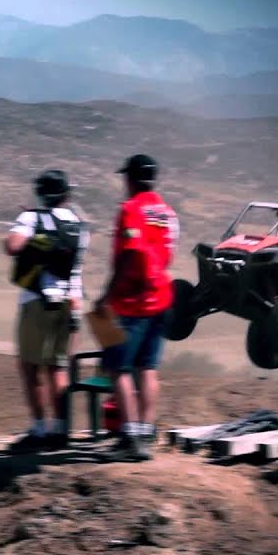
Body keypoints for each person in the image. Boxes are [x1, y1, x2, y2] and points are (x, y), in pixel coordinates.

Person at [92, 154, 179, 462]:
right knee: (148, 368)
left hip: (132, 300)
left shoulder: (131, 209)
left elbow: (129, 254)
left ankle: (129, 437)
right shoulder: (167, 212)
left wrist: (107, 294)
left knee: (118, 368)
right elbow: (168, 253)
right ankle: (144, 431)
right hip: (162, 295)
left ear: (130, 179)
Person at [3, 169, 90, 451]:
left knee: (30, 367)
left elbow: (12, 246)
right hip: (71, 301)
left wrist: (27, 228)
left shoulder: (31, 218)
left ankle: (40, 429)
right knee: (58, 367)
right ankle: (62, 430)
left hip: (38, 300)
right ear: (67, 194)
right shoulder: (78, 224)